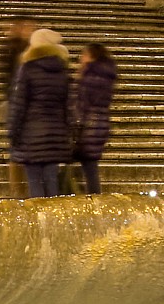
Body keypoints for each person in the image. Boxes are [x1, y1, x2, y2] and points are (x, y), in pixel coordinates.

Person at [9, 26, 73, 199]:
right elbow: (67, 106)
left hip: (33, 135)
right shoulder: (62, 70)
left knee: (35, 182)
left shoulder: (28, 68)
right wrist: (68, 133)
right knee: (51, 180)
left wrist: (13, 132)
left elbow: (19, 103)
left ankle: (40, 223)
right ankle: (53, 221)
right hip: (56, 136)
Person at [0, 15, 35, 195]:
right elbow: (8, 78)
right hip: (16, 102)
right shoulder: (12, 49)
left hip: (27, 106)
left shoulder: (32, 49)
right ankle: (18, 190)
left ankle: (25, 189)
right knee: (17, 149)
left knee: (24, 149)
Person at [72, 41, 117, 193]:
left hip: (89, 127)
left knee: (89, 167)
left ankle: (94, 200)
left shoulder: (89, 77)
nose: (81, 58)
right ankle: (94, 197)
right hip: (101, 125)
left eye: (84, 55)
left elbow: (82, 105)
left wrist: (75, 123)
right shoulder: (106, 76)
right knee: (90, 166)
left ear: (92, 56)